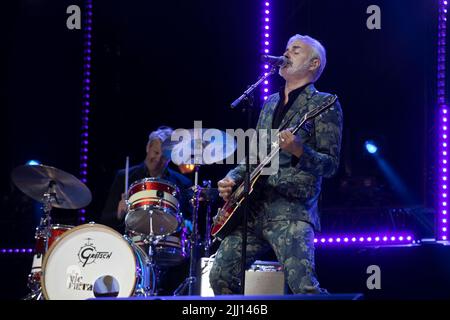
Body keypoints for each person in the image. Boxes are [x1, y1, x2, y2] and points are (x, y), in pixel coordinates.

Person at [210, 34, 343, 295]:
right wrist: (232, 178)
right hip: (254, 208)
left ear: (313, 64)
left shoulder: (325, 103)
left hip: (291, 209)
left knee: (304, 288)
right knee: (220, 276)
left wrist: (299, 150)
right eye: (286, 49)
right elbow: (255, 157)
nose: (287, 53)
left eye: (295, 50)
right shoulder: (270, 103)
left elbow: (330, 165)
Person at [100, 126, 193, 295]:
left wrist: (186, 224)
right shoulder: (125, 176)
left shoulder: (182, 183)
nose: (157, 159)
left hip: (168, 251)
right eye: (155, 152)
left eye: (163, 156)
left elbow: (189, 223)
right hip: (131, 250)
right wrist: (119, 213)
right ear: (148, 148)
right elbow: (105, 219)